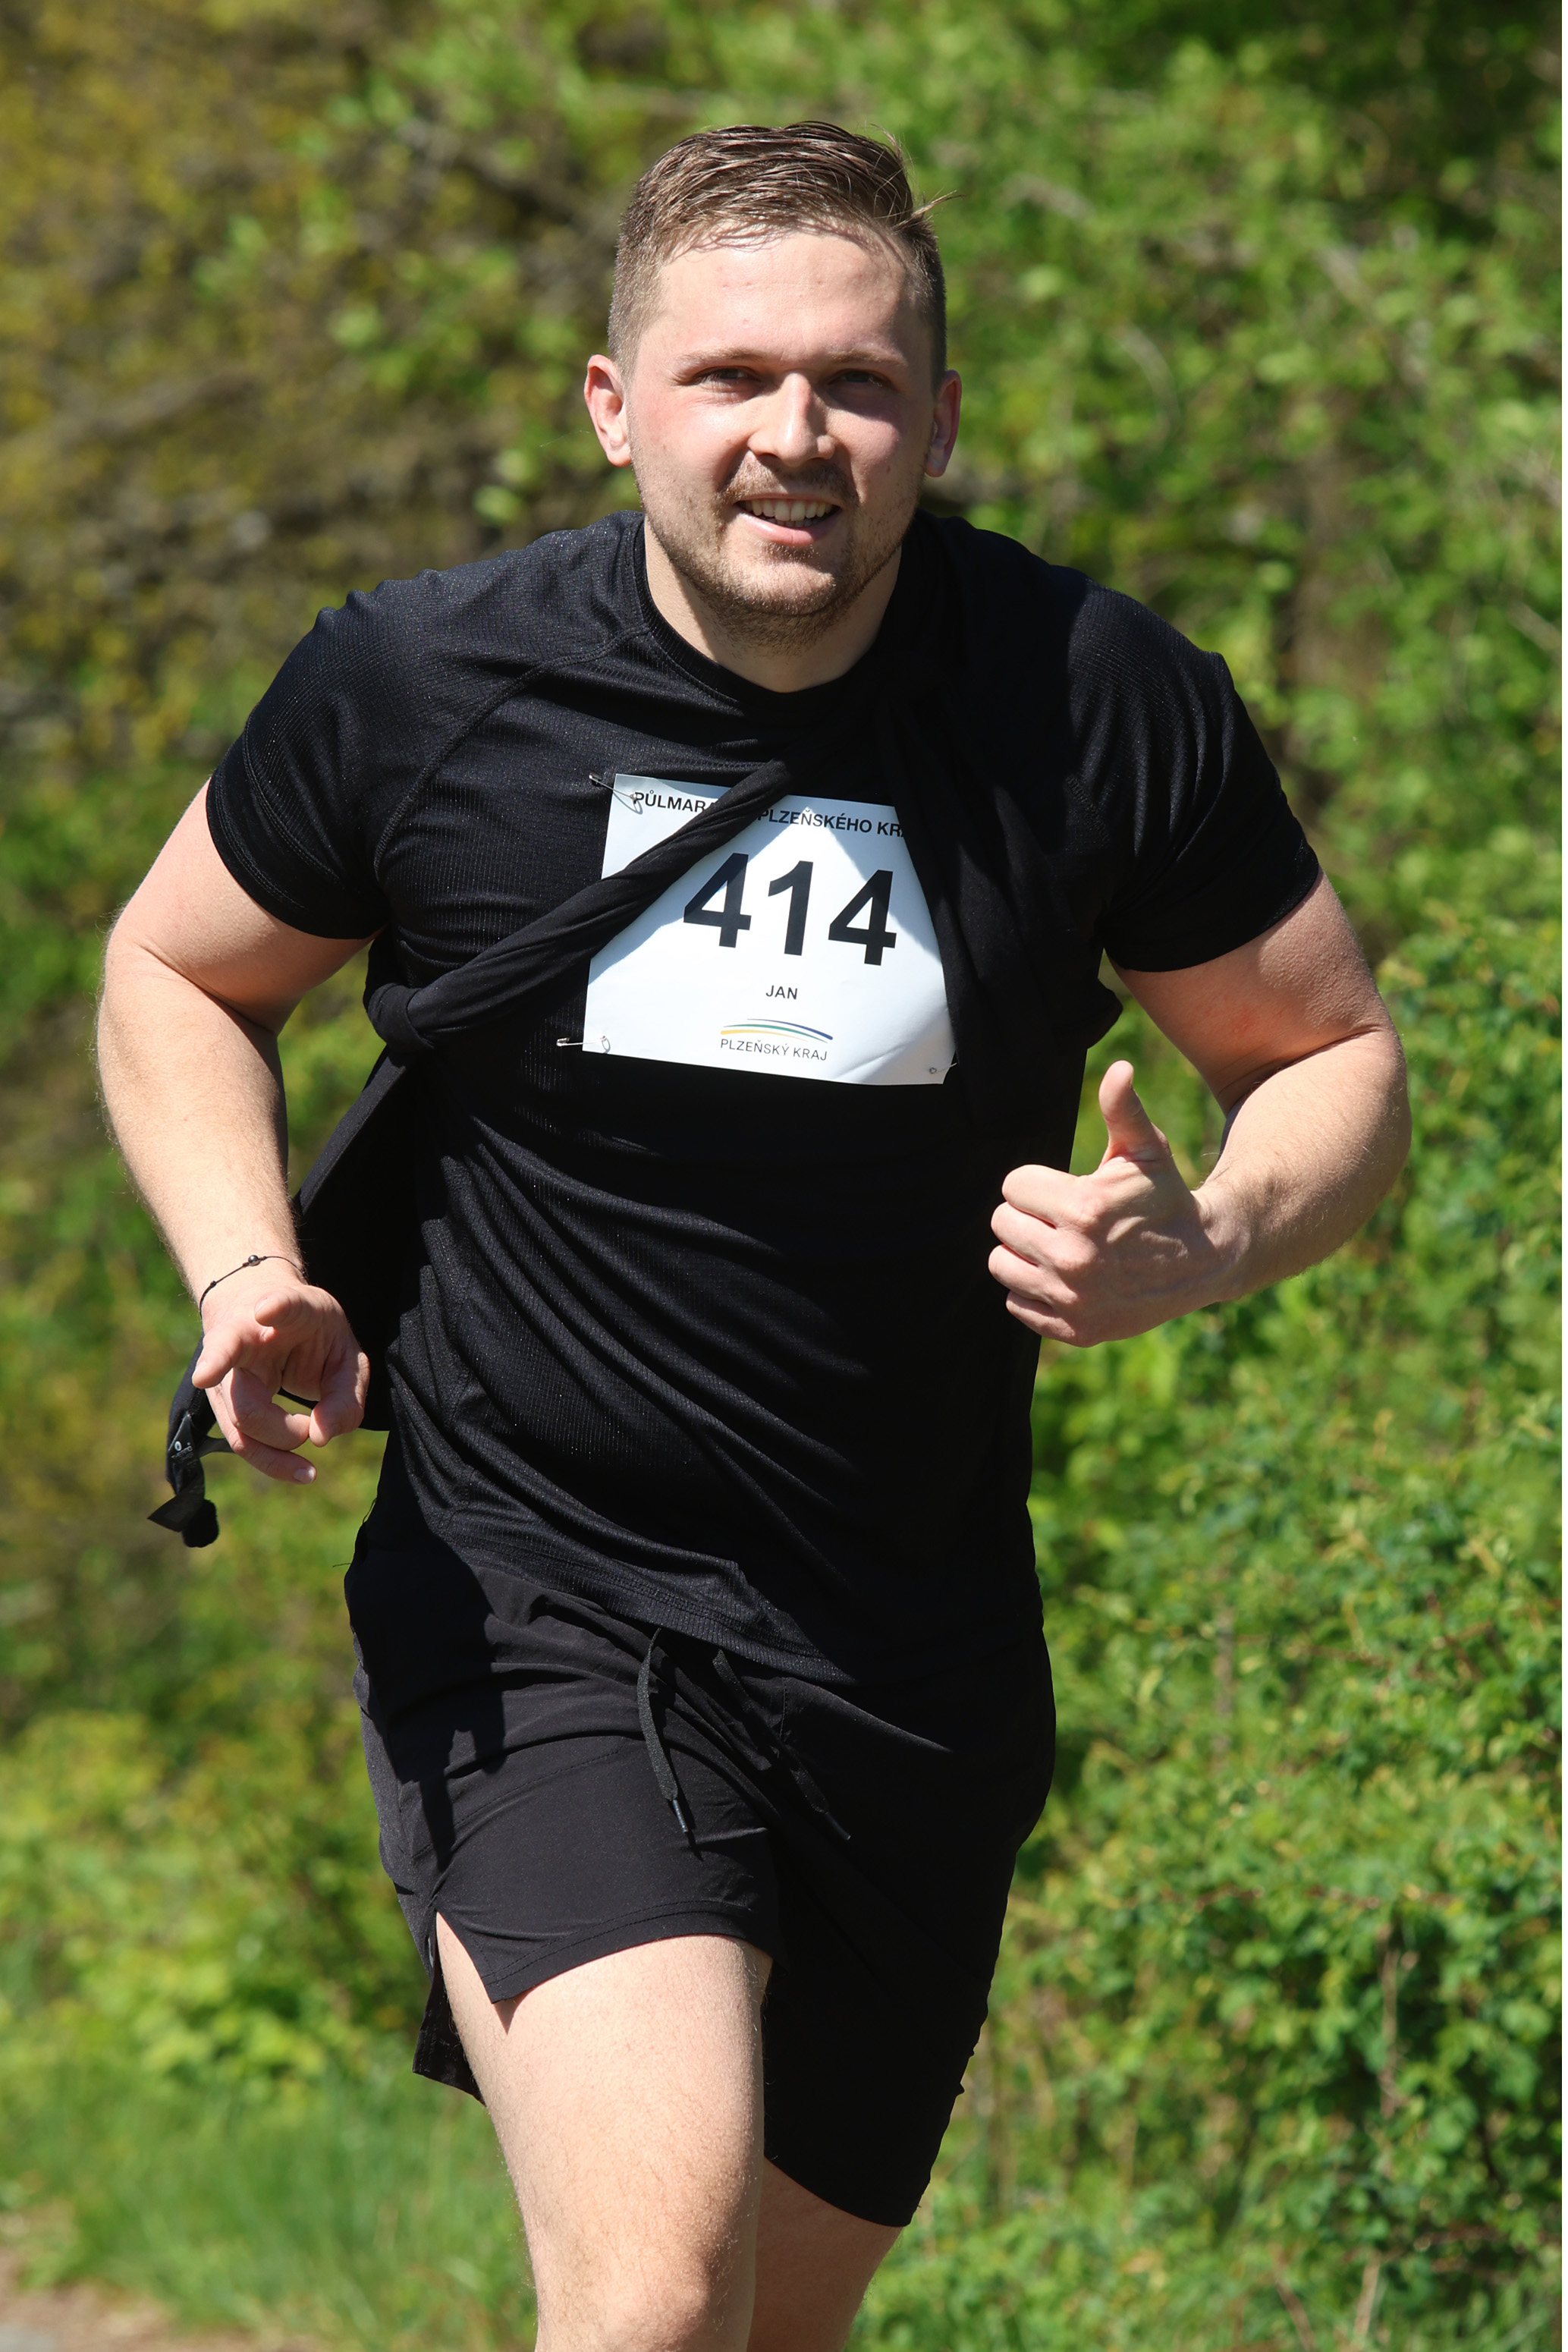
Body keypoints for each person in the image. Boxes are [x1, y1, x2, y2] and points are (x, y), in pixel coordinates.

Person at [97, 121, 1409, 2352]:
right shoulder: (422, 686)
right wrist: (247, 1268)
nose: (794, 434)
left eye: (857, 383)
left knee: (773, 2325)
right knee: (655, 2285)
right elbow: (174, 969)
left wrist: (1199, 1243)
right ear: (616, 407)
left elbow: (1332, 1058)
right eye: (729, 378)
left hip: (908, 1648)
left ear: (939, 418)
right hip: (539, 1585)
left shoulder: (1088, 700)